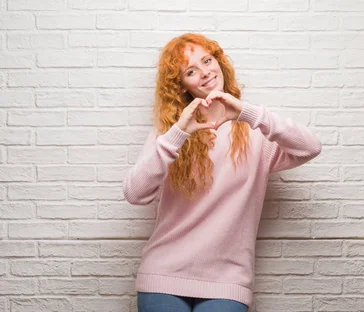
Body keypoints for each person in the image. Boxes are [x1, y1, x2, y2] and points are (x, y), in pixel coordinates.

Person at [122, 33, 322, 312]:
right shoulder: (171, 133)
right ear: (180, 86)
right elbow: (135, 193)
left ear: (220, 62)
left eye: (207, 60)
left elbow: (310, 147)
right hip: (163, 276)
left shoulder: (255, 134)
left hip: (227, 282)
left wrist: (249, 113)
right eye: (191, 71)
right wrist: (178, 133)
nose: (204, 72)